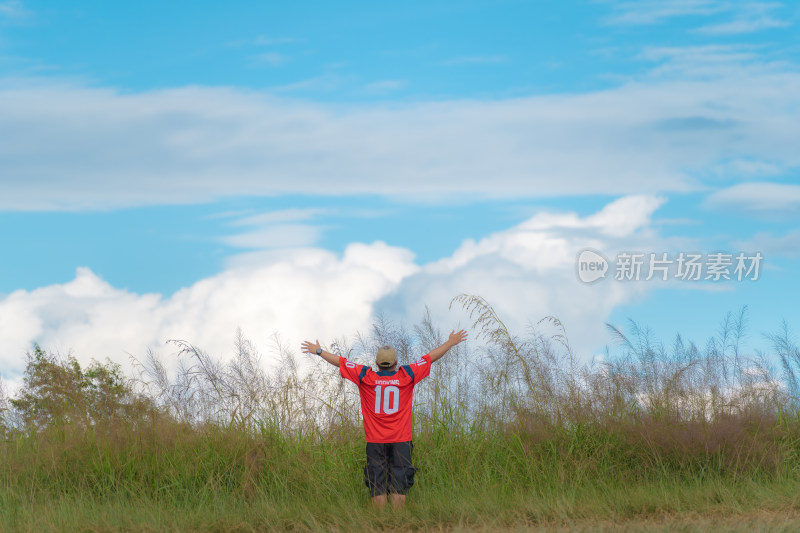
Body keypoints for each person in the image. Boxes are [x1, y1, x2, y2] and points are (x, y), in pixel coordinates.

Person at [301, 329, 468, 509]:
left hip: (375, 441)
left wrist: (319, 351)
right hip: (401, 441)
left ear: (376, 363)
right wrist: (450, 342)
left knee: (377, 486)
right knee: (399, 485)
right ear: (396, 363)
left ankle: (379, 524)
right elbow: (430, 357)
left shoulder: (366, 376)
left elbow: (341, 362)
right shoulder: (407, 375)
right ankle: (397, 524)